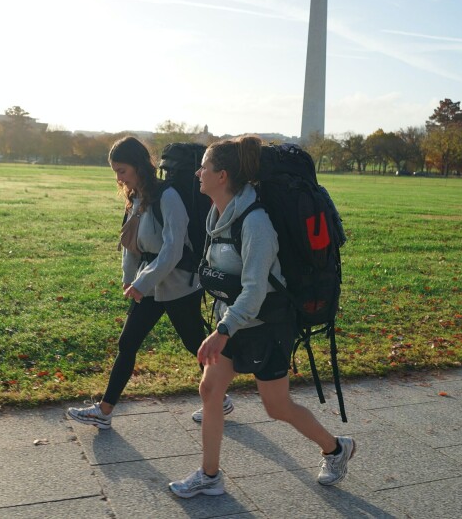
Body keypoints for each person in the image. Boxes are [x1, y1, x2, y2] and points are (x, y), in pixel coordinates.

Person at [169, 136, 355, 498]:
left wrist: (222, 330)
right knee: (209, 389)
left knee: (277, 406)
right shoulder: (218, 215)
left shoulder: (255, 224)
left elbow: (254, 291)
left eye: (204, 166)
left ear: (221, 175)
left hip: (266, 325)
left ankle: (336, 448)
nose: (198, 172)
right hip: (235, 321)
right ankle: (210, 477)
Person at [67, 136, 232, 429]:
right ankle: (104, 411)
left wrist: (141, 283)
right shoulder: (136, 198)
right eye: (116, 171)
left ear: (139, 166)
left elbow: (173, 250)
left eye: (122, 171)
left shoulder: (168, 197)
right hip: (152, 284)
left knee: (195, 343)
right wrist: (129, 281)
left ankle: (220, 398)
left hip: (180, 283)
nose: (119, 178)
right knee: (127, 343)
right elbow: (132, 245)